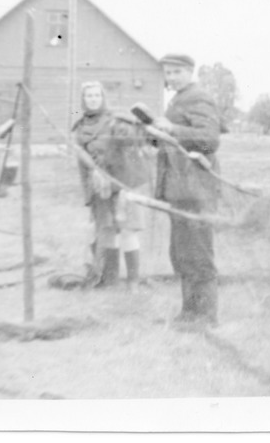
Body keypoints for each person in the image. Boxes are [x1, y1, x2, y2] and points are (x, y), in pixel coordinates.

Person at [151, 54, 222, 327]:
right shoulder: (179, 99)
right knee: (182, 253)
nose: (171, 78)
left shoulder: (198, 97)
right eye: (168, 73)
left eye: (177, 72)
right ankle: (189, 313)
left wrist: (172, 128)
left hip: (197, 189)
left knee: (199, 254)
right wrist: (156, 134)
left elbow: (210, 139)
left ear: (190, 72)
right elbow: (177, 140)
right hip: (180, 189)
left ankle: (205, 315)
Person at [72, 81, 149, 288]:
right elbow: (82, 160)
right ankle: (111, 281)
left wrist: (132, 134)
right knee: (107, 231)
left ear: (103, 97)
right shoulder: (80, 128)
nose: (93, 99)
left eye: (97, 95)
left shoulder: (117, 120)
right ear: (83, 100)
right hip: (100, 186)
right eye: (89, 96)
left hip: (124, 182)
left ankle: (133, 282)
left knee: (128, 230)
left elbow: (135, 140)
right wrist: (91, 186)